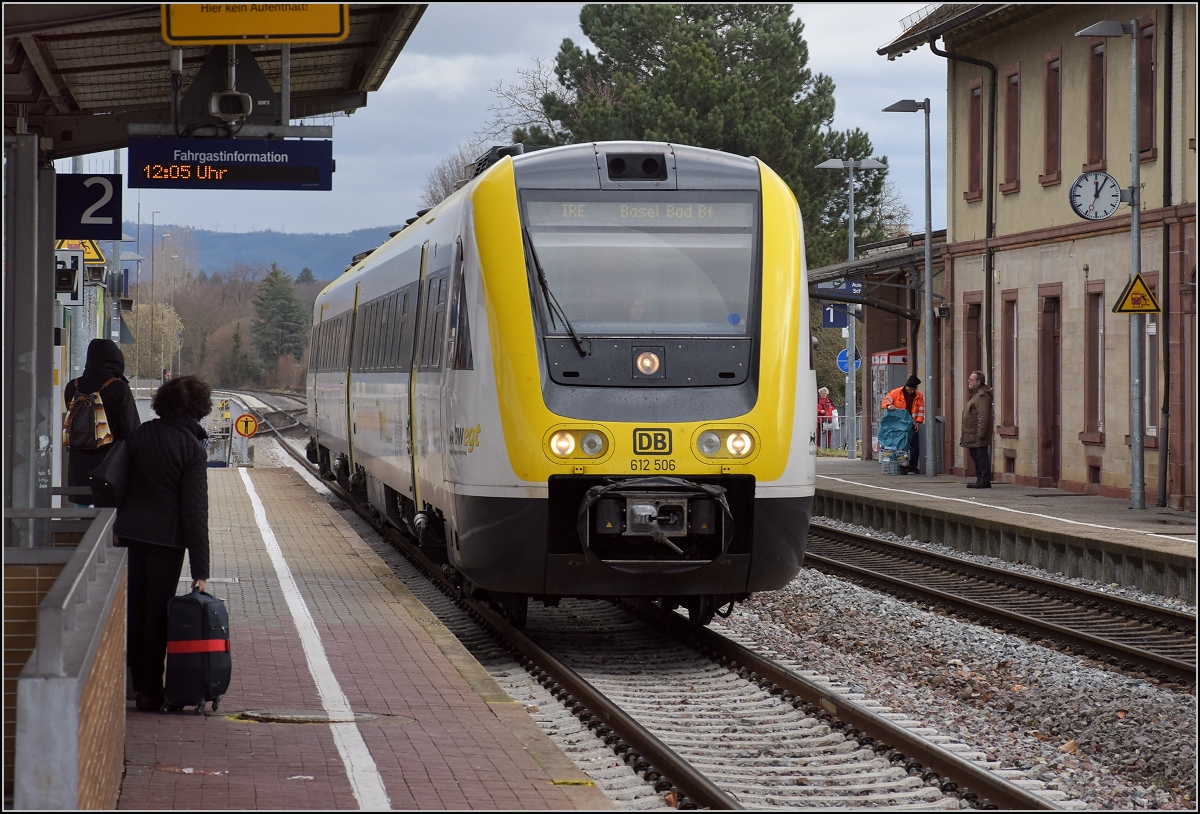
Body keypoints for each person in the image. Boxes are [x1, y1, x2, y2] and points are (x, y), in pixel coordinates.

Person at [113, 375, 213, 711]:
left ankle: (136, 683)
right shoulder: (192, 450)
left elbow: (123, 483)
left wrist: (118, 524)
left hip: (128, 533)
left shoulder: (143, 434)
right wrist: (201, 570)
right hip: (165, 542)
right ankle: (150, 691)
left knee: (134, 611)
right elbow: (195, 514)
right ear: (199, 409)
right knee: (156, 613)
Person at [64, 338, 141, 506]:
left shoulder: (72, 387)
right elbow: (131, 432)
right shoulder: (118, 388)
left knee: (84, 527)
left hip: (78, 474)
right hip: (109, 471)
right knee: (108, 526)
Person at [881, 374, 925, 474]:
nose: (911, 391)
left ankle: (912, 465)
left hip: (911, 424)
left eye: (913, 389)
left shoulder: (919, 396)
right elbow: (885, 400)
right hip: (898, 425)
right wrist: (888, 406)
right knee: (900, 446)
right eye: (910, 389)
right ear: (906, 386)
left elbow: (921, 411)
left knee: (915, 445)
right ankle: (901, 466)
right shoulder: (896, 393)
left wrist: (918, 421)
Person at [960, 369, 994, 489]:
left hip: (978, 434)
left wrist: (981, 433)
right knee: (975, 456)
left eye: (971, 379)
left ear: (978, 382)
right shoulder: (974, 395)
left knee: (981, 456)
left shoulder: (981, 396)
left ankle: (984, 480)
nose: (969, 381)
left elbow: (983, 416)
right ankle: (980, 479)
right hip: (972, 434)